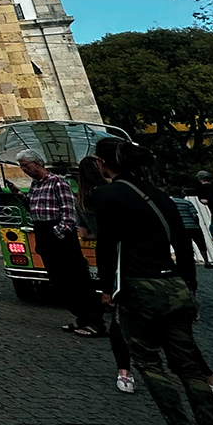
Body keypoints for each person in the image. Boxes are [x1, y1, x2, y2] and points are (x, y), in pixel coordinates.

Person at [89, 140, 213, 425]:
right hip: (175, 287)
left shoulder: (106, 196)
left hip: (139, 288)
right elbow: (182, 244)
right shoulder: (161, 195)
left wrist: (106, 288)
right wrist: (189, 286)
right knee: (190, 369)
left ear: (102, 163)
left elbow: (106, 244)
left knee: (150, 364)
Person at [16, 149, 105, 337]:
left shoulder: (58, 183)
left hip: (60, 236)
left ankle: (95, 323)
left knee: (77, 280)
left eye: (25, 165)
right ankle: (82, 319)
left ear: (37, 164)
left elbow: (69, 215)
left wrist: (56, 235)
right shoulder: (35, 185)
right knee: (60, 281)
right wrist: (20, 195)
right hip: (43, 233)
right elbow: (33, 206)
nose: (23, 169)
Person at [78, 157, 134, 394]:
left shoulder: (84, 199)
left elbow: (88, 233)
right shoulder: (120, 192)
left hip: (113, 259)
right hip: (132, 257)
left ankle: (125, 372)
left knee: (120, 317)